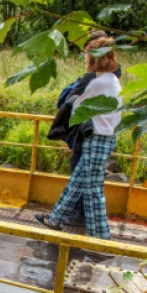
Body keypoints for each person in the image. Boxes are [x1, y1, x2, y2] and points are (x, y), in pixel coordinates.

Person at [36, 34, 122, 239]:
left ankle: (101, 238)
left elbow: (75, 107)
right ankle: (56, 219)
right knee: (78, 181)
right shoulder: (111, 80)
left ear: (94, 58)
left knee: (92, 190)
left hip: (97, 137)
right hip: (104, 136)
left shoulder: (97, 82)